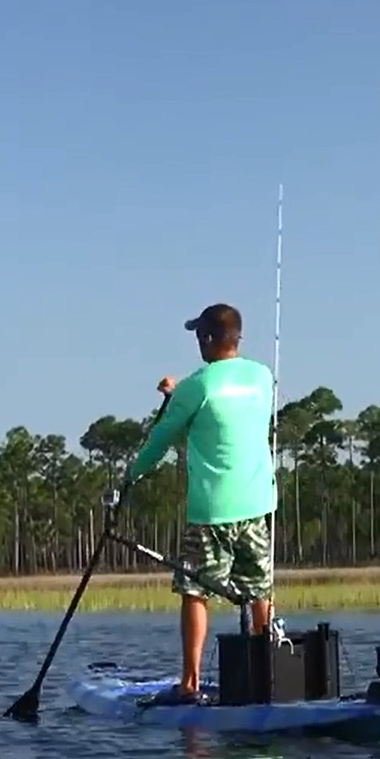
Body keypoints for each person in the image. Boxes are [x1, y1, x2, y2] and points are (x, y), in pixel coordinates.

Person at [119, 302, 278, 706]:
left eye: (198, 337)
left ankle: (189, 683)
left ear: (208, 339)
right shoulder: (262, 377)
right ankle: (269, 676)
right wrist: (181, 397)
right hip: (257, 505)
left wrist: (131, 475)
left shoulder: (196, 385)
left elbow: (160, 438)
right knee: (259, 590)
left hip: (212, 511)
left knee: (195, 591)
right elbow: (225, 411)